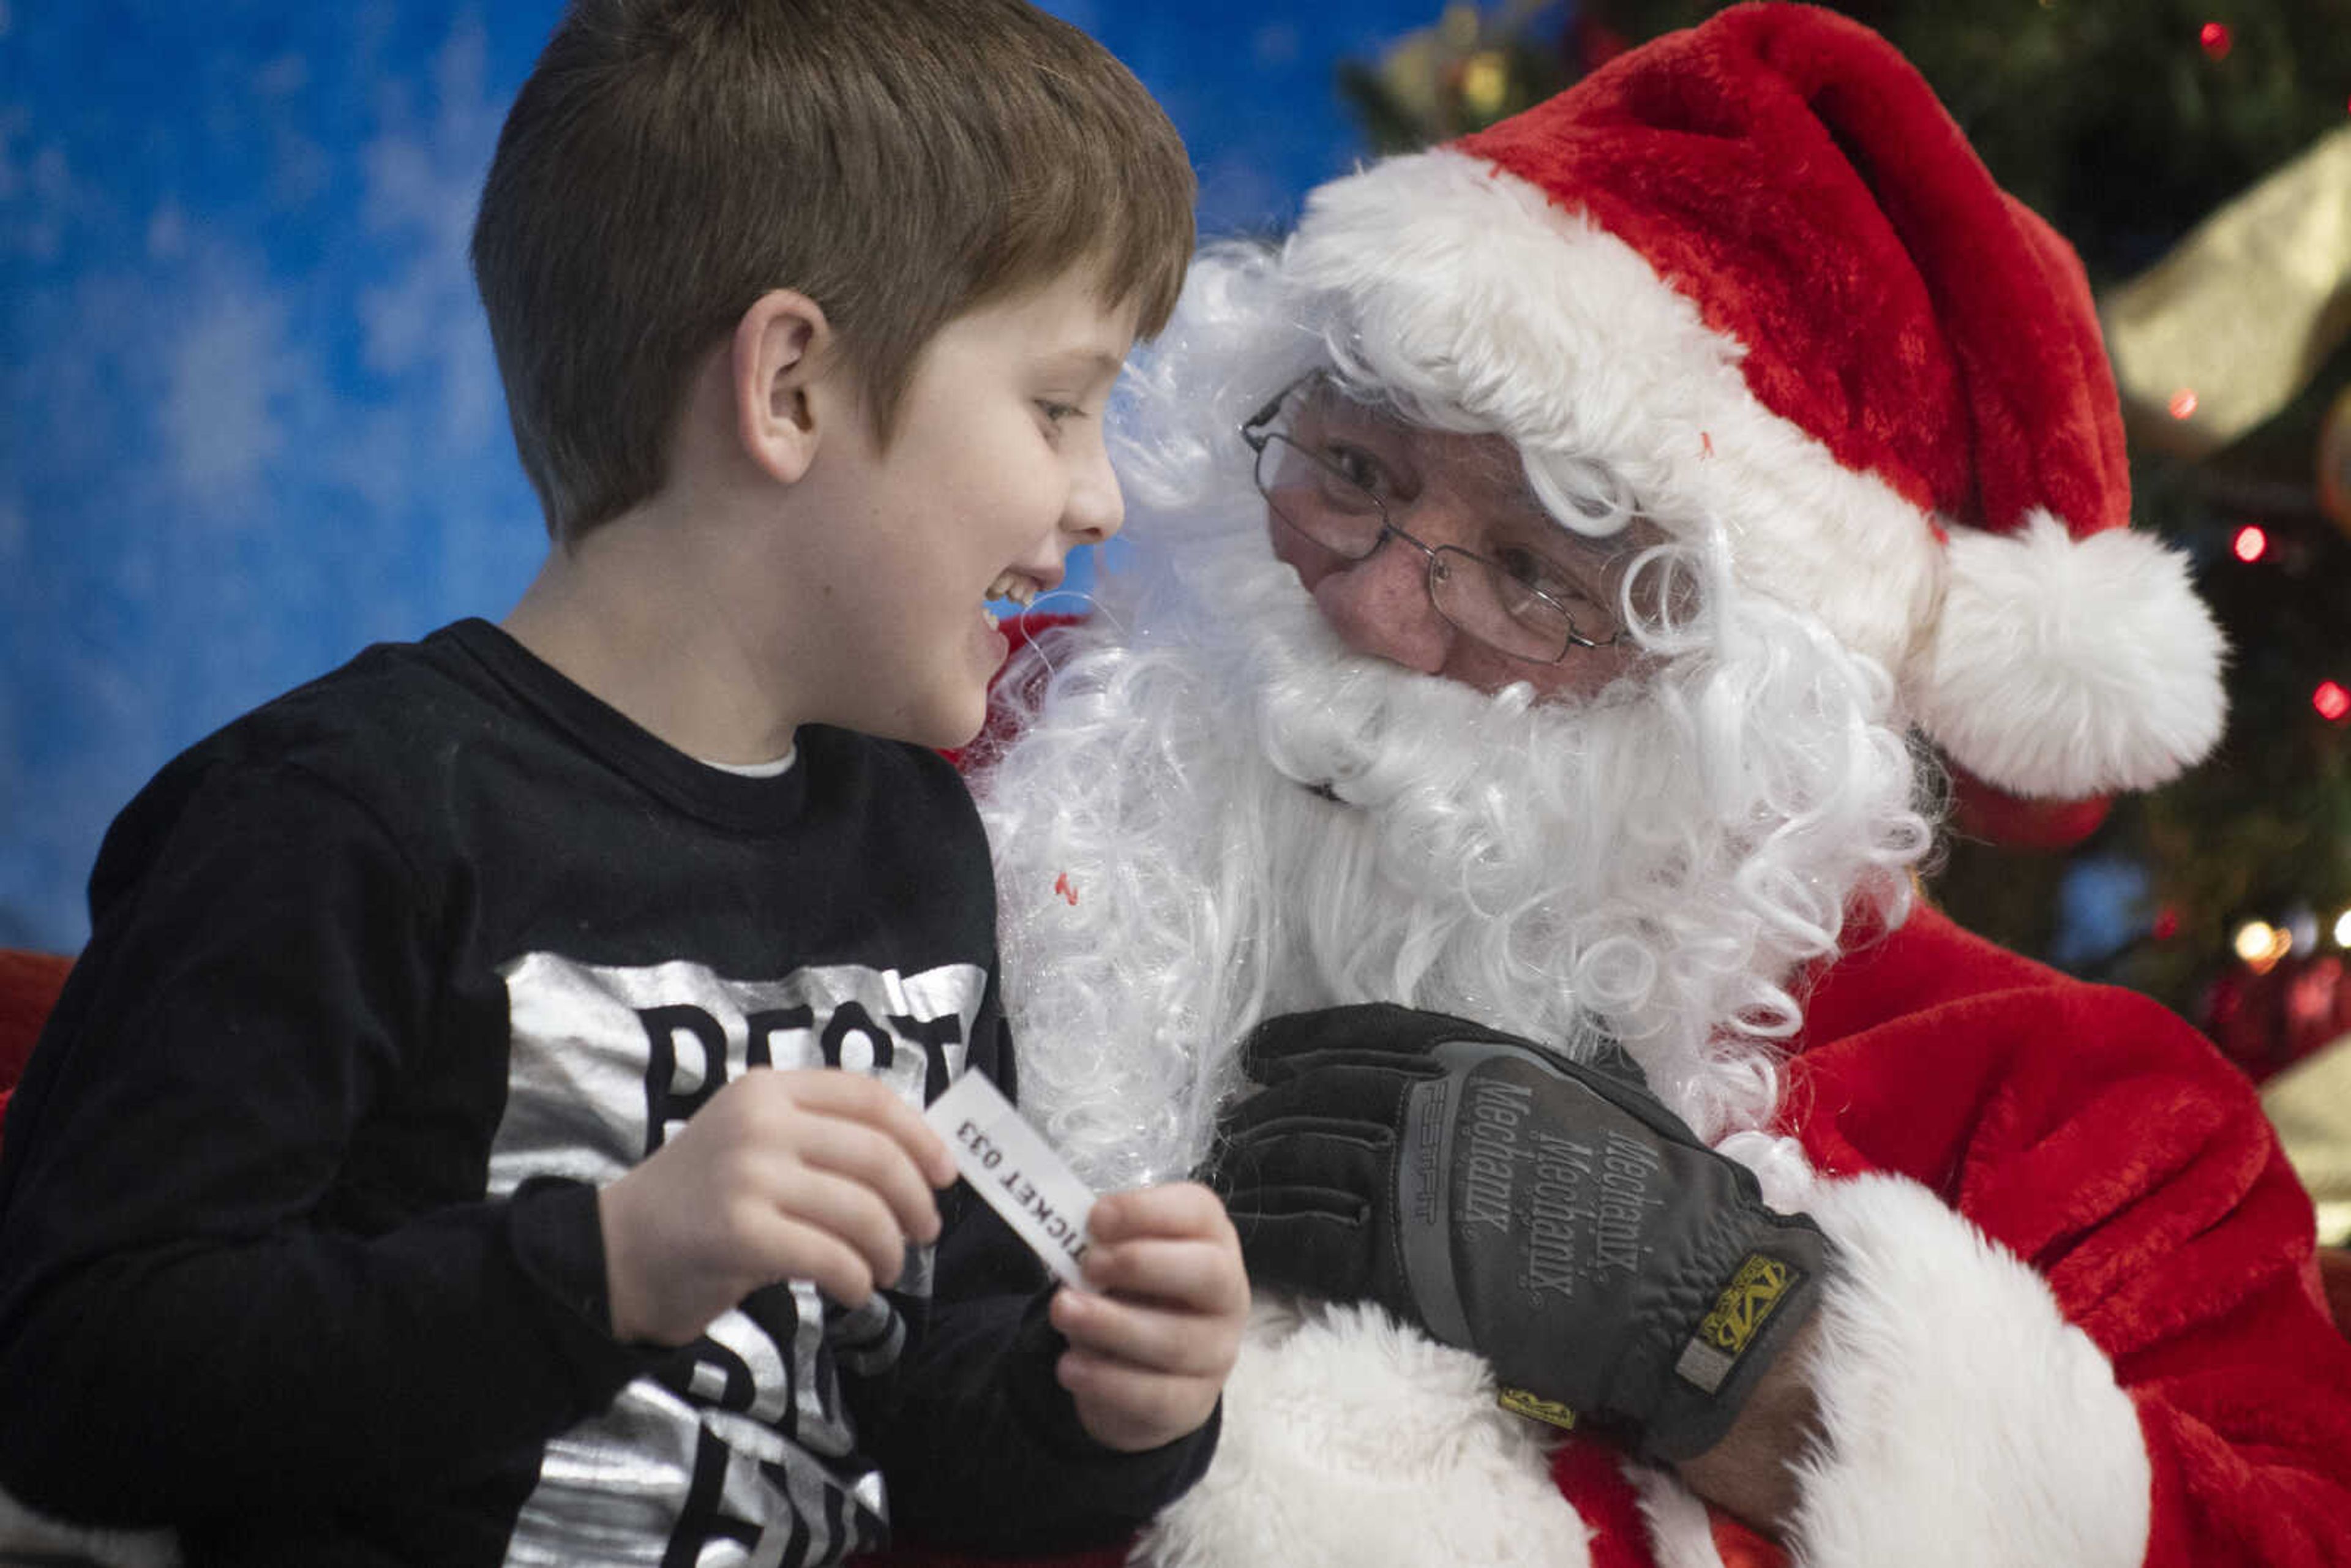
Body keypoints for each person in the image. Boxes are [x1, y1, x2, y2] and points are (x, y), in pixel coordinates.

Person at [958, 6, 2351, 1566]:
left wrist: (1735, 1337)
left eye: (1536, 576)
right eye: (1352, 471)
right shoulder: (974, 777)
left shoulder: (2072, 1112)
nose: (1372, 606)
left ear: (1752, 705)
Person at [0, 2, 1248, 1564]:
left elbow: (928, 1415)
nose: (1101, 494)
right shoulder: (340, 818)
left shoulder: (913, 846)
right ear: (789, 386)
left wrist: (1103, 1398)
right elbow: (72, 1376)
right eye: (1060, 402)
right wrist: (608, 1264)